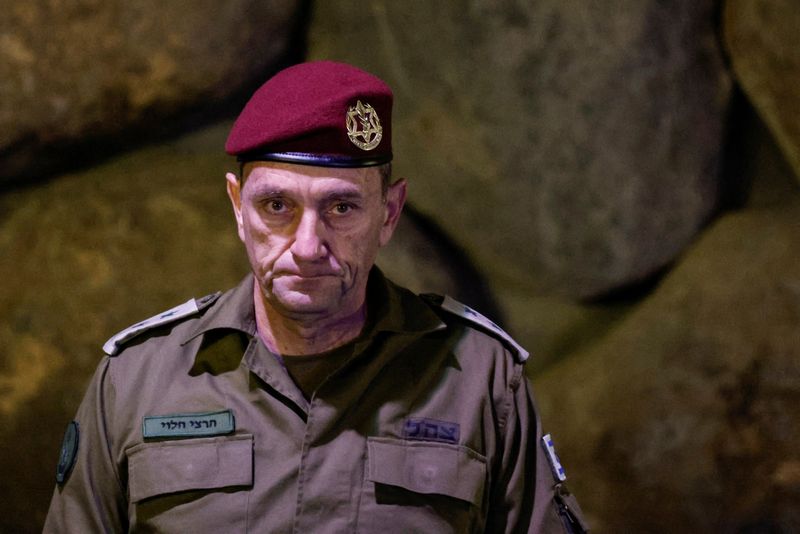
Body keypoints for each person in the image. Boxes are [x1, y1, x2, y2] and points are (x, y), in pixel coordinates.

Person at [43, 60, 588, 533]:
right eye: (276, 206)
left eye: (341, 208)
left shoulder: (479, 380)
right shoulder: (139, 378)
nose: (307, 246)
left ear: (389, 213)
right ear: (237, 207)